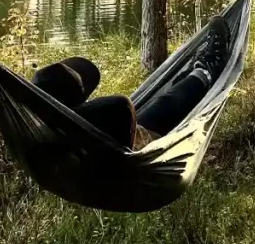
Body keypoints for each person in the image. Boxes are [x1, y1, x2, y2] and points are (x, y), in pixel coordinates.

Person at [31, 16, 231, 150]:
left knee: (164, 100)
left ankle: (190, 76)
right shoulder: (88, 119)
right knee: (167, 102)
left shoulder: (40, 131)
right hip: (136, 150)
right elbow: (121, 106)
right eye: (81, 86)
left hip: (115, 141)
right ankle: (207, 68)